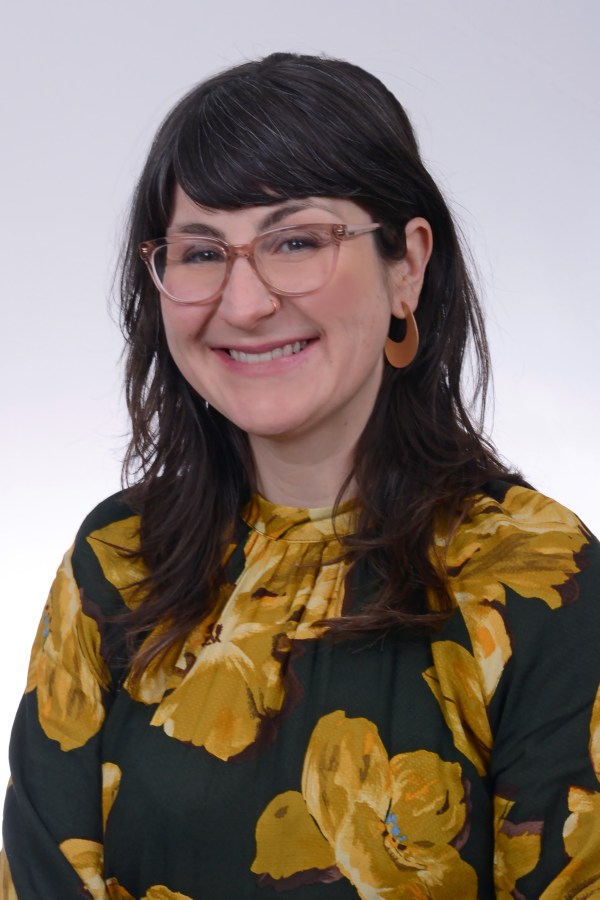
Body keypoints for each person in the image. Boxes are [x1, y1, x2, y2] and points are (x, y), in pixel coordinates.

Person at [1, 52, 599, 900]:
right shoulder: (118, 557)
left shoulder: (536, 577)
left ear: (407, 265)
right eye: (201, 252)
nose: (244, 304)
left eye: (295, 242)